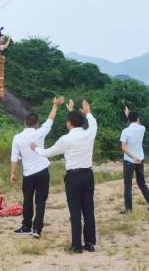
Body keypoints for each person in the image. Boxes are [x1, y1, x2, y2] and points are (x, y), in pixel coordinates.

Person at [32, 99, 97, 253]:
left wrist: (36, 149)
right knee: (88, 210)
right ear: (82, 122)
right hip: (88, 175)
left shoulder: (65, 139)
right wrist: (88, 112)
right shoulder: (89, 133)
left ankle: (76, 245)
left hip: (73, 177)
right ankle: (90, 243)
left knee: (75, 211)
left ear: (69, 123)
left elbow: (48, 152)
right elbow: (93, 123)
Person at [9, 96, 62, 237]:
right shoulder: (40, 133)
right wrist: (55, 106)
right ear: (37, 123)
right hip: (43, 171)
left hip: (28, 174)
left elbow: (14, 158)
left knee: (27, 200)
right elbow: (50, 120)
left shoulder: (17, 138)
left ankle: (26, 226)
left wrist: (12, 174)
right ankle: (37, 229)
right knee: (40, 201)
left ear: (25, 123)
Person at [120, 106, 149, 214]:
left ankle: (129, 210)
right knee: (141, 183)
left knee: (128, 185)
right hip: (140, 159)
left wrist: (132, 157)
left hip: (129, 161)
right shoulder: (142, 128)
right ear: (138, 119)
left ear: (129, 120)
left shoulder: (125, 131)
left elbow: (123, 147)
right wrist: (130, 115)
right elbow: (136, 123)